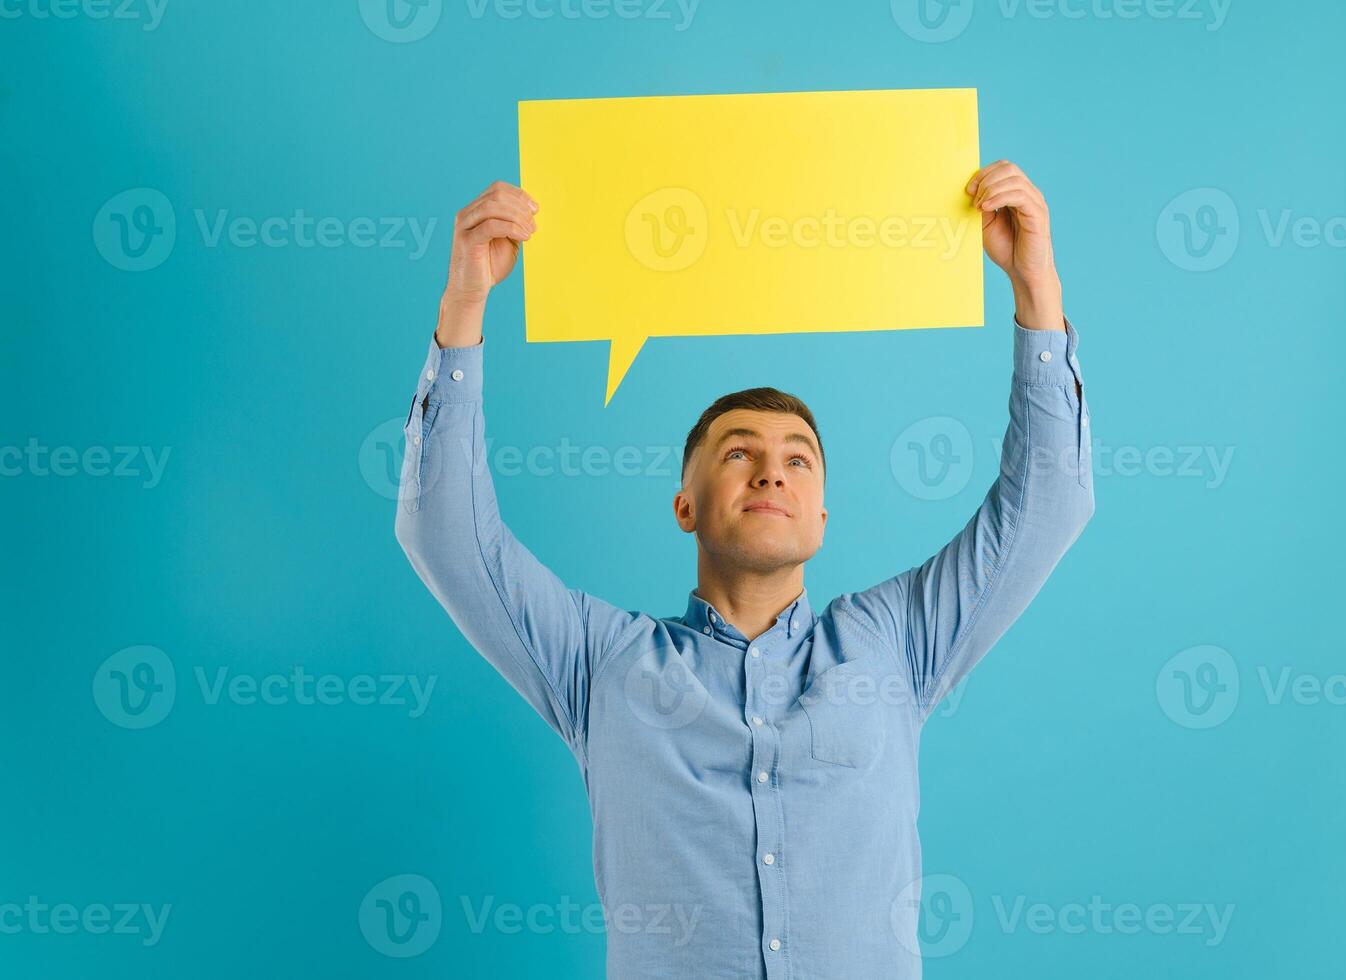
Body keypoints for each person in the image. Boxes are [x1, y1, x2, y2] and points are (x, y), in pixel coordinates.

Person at [395, 161, 1093, 979]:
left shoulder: (896, 643)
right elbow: (445, 535)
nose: (771, 473)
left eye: (798, 460)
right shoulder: (599, 664)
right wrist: (464, 309)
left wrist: (1036, 291)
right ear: (684, 504)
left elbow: (1047, 507)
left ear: (822, 518)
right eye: (738, 453)